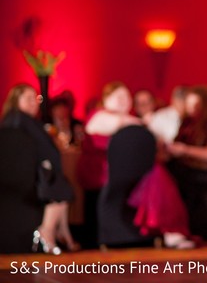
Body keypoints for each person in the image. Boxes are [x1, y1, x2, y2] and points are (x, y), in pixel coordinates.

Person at [1, 83, 78, 254]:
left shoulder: (23, 119)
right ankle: (47, 230)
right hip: (28, 173)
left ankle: (62, 233)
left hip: (37, 170)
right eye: (27, 98)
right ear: (15, 100)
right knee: (60, 188)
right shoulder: (18, 118)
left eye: (34, 98)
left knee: (61, 185)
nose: (32, 102)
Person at [77, 81, 142, 248]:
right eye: (119, 96)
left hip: (123, 171)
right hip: (99, 170)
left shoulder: (131, 119)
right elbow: (120, 124)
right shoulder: (100, 115)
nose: (124, 100)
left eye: (127, 97)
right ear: (107, 99)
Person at [166, 85, 207, 240]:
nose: (191, 110)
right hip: (187, 168)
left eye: (195, 105)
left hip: (203, 172)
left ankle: (174, 229)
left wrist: (184, 150)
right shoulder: (188, 123)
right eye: (189, 106)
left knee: (168, 176)